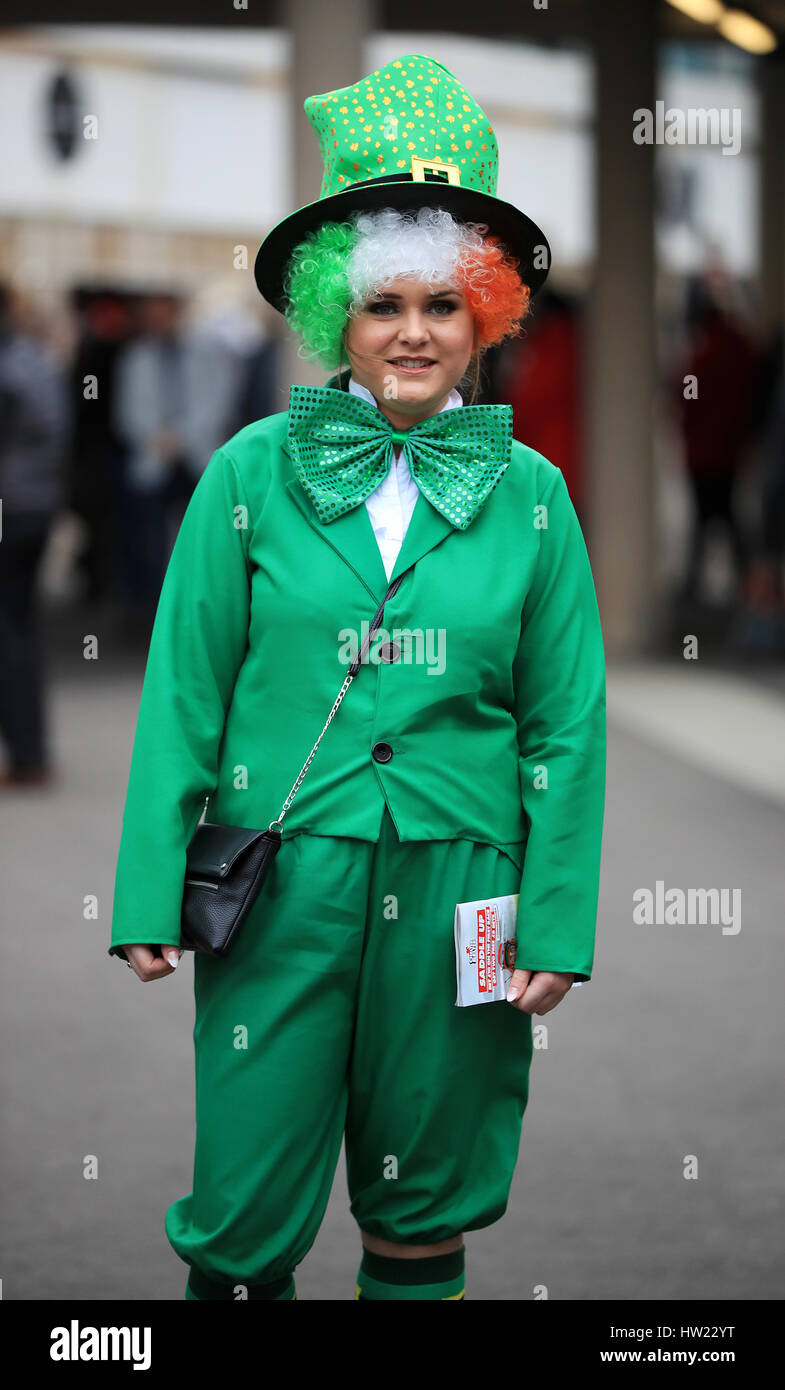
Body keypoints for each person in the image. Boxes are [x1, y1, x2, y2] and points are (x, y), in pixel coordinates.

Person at [108, 52, 607, 1302]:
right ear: (337, 312)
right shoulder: (246, 472)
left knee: (424, 1200)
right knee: (240, 1211)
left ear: (483, 318)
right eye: (383, 304)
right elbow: (183, 687)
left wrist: (554, 916)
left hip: (465, 889)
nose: (412, 333)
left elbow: (564, 722)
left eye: (443, 305)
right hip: (281, 873)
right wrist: (143, 888)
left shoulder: (535, 499)